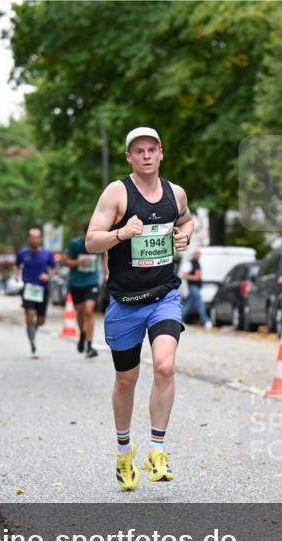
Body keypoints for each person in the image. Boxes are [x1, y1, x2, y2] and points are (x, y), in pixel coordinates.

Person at [86, 126, 193, 491]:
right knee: (126, 379)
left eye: (152, 149)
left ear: (161, 153)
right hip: (124, 303)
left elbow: (187, 219)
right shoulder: (118, 192)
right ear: (129, 157)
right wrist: (121, 234)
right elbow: (91, 240)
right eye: (139, 151)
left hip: (163, 295)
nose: (146, 155)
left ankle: (158, 450)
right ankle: (123, 452)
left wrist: (185, 234)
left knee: (165, 365)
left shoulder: (175, 193)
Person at [15, 228, 56, 359]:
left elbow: (54, 267)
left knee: (40, 321)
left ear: (40, 238)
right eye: (33, 238)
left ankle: (33, 331)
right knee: (30, 315)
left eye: (37, 237)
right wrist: (16, 273)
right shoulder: (22, 253)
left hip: (42, 289)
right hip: (29, 288)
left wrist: (48, 275)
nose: (35, 240)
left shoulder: (47, 253)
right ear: (29, 238)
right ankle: (33, 345)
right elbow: (17, 265)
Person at [65, 222, 104, 358]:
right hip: (76, 282)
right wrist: (78, 262)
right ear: (84, 232)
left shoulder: (99, 243)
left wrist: (107, 273)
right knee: (80, 311)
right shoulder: (75, 244)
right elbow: (67, 261)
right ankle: (82, 333)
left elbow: (104, 257)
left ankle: (89, 345)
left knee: (89, 310)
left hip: (92, 281)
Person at [181, 248, 212, 328]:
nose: (199, 255)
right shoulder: (190, 263)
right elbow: (184, 275)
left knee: (189, 304)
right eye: (197, 254)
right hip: (192, 286)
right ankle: (205, 320)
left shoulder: (197, 263)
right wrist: (195, 277)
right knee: (199, 302)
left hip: (196, 286)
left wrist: (197, 277)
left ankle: (178, 319)